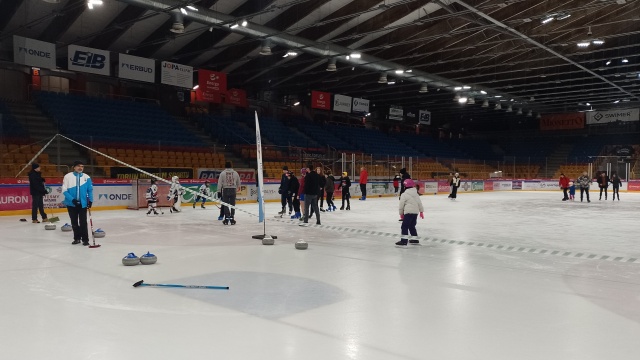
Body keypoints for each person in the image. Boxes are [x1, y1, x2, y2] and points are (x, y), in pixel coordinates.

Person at [61, 160, 93, 245]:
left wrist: (91, 200)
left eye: (82, 166)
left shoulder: (87, 177)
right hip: (71, 204)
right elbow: (64, 191)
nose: (80, 168)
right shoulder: (68, 176)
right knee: (74, 222)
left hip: (83, 204)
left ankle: (85, 240)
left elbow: (90, 190)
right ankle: (77, 238)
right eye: (78, 166)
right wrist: (72, 200)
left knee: (83, 222)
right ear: (74, 167)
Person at [396, 179, 424, 246]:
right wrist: (421, 211)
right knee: (412, 226)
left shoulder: (404, 194)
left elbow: (401, 205)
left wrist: (401, 214)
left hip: (408, 212)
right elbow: (419, 203)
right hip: (415, 213)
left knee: (404, 226)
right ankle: (415, 239)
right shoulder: (416, 193)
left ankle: (404, 241)